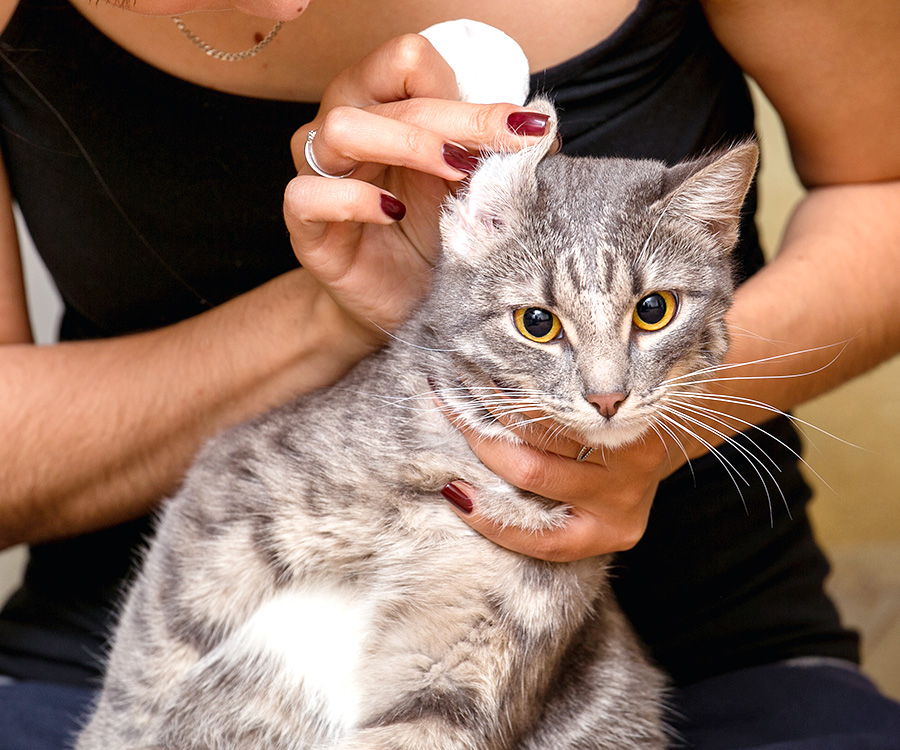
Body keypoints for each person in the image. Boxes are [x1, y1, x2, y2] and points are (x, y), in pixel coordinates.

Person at [0, 0, 898, 747]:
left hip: (709, 642)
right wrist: (336, 316)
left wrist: (663, 431)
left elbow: (883, 187)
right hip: (168, 649)